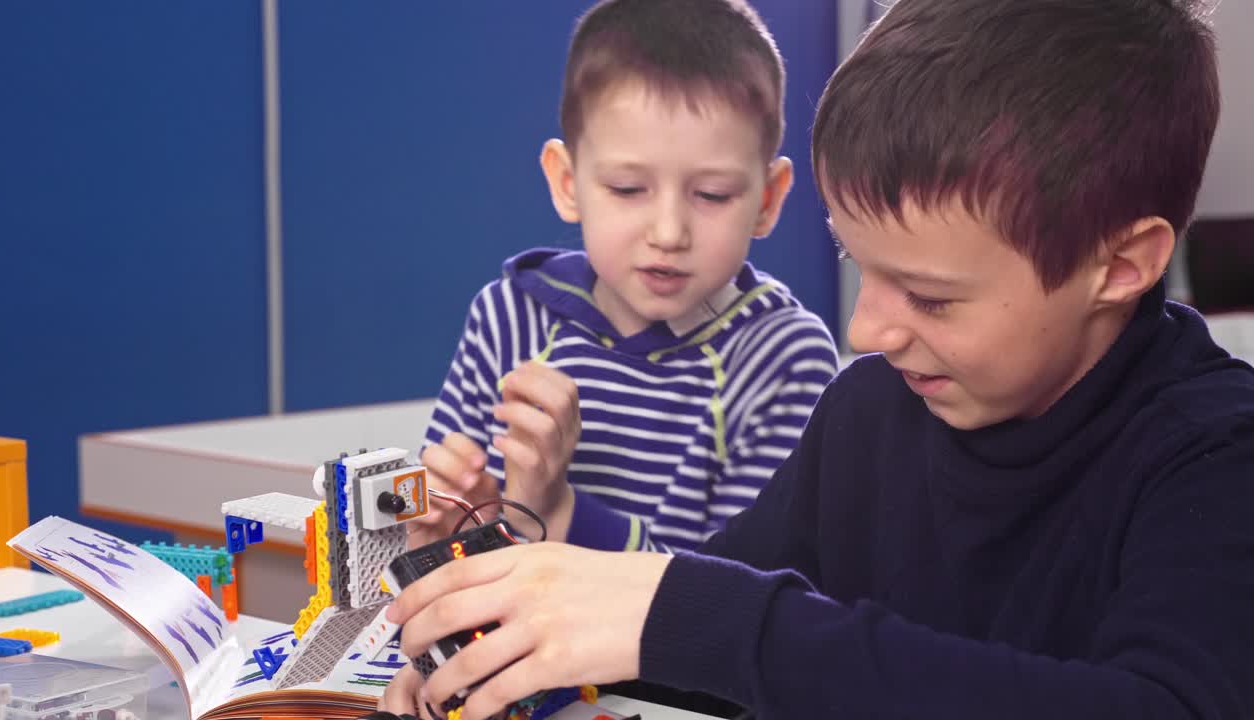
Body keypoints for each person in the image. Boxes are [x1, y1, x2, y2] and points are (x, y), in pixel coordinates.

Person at [380, 0, 1254, 718]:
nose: (868, 330)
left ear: (1120, 265)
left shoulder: (1216, 459)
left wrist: (696, 617)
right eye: (857, 267)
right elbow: (689, 642)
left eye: (931, 296)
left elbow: (1163, 706)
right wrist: (509, 657)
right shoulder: (872, 414)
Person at [408, 0, 838, 555]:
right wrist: (453, 528)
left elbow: (739, 607)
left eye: (712, 195)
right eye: (629, 189)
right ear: (567, 182)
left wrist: (557, 511)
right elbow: (441, 551)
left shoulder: (782, 357)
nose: (668, 232)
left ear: (768, 198)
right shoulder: (507, 319)